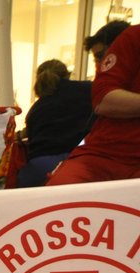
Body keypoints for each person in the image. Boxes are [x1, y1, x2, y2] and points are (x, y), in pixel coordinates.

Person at [49, 22, 140, 186]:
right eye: (98, 57)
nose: (99, 64)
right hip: (106, 154)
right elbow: (104, 99)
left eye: (100, 56)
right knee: (58, 194)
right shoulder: (134, 37)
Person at [17, 59, 93, 188]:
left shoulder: (36, 108)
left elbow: (32, 137)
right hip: (77, 159)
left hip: (40, 166)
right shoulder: (88, 90)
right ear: (68, 75)